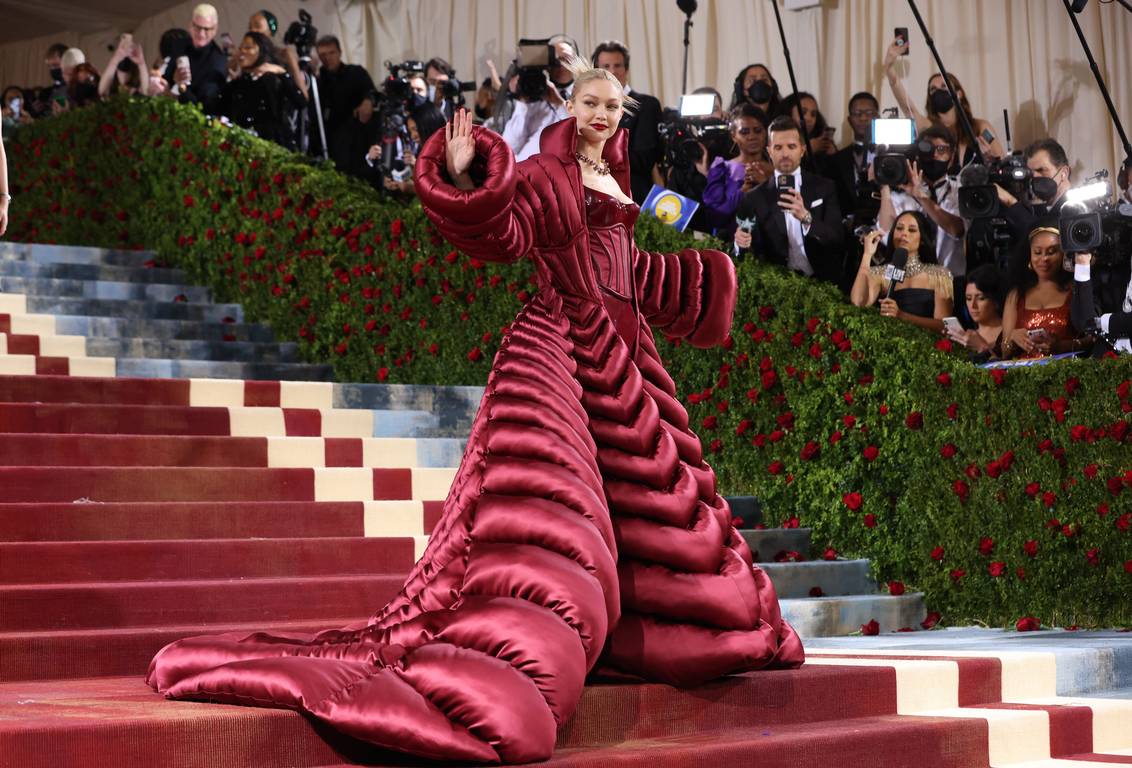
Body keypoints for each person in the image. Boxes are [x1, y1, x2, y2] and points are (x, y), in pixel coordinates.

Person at [148, 57, 803, 765]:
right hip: (560, 340)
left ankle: (620, 637)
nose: (601, 115)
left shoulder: (619, 177)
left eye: (613, 105)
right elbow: (508, 233)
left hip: (624, 348)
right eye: (590, 102)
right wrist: (464, 175)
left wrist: (692, 281)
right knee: (557, 513)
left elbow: (623, 261)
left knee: (647, 503)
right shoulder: (548, 175)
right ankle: (518, 653)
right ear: (570, 105)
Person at [733, 116, 844, 284]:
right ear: (769, 151)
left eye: (791, 146)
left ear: (802, 149)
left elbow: (837, 238)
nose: (785, 154)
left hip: (823, 282)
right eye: (778, 147)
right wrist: (740, 243)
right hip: (776, 285)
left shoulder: (825, 187)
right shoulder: (754, 197)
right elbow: (747, 252)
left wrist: (806, 218)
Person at [883, 37, 1006, 168]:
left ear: (959, 94)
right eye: (933, 89)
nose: (938, 92)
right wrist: (889, 68)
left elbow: (1002, 161)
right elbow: (908, 108)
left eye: (944, 87)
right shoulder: (928, 127)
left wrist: (989, 159)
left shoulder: (980, 127)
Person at [877, 124, 966, 276]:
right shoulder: (902, 192)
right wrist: (884, 185)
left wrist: (921, 197)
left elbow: (957, 230)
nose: (934, 155)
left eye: (941, 150)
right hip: (908, 280)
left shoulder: (960, 190)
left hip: (950, 281)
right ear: (918, 154)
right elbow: (885, 234)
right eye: (928, 149)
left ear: (952, 156)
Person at [851, 210, 953, 331]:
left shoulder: (939, 274)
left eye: (912, 230)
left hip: (927, 345)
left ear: (922, 239)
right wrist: (867, 255)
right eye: (899, 228)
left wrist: (901, 315)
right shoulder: (881, 273)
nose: (903, 234)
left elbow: (944, 327)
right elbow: (858, 303)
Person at [1001, 224, 1089, 358]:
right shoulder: (1016, 295)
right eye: (1037, 252)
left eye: (1051, 252)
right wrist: (1012, 337)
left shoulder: (1077, 289)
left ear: (1064, 254)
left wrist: (1060, 346)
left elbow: (1093, 340)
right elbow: (1004, 353)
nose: (1044, 258)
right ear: (1029, 255)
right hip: (1023, 374)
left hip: (1066, 372)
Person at [592, 40, 662, 204]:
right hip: (594, 198)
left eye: (617, 66)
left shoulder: (646, 105)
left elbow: (644, 160)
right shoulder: (588, 106)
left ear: (627, 69)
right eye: (606, 67)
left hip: (633, 197)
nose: (612, 72)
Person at [216, 32, 306, 149]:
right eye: (240, 48)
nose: (242, 51)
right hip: (243, 148)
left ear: (262, 51)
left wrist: (282, 73)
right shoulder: (237, 83)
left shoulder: (273, 78)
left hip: (272, 148)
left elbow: (300, 102)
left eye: (248, 47)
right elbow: (217, 107)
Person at [500, 34, 578, 161]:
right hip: (524, 169)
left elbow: (580, 132)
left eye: (567, 59)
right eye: (555, 60)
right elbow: (509, 146)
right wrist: (523, 103)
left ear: (576, 61)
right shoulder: (531, 94)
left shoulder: (587, 94)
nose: (561, 65)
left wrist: (559, 103)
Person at [702, 104, 771, 241]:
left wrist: (766, 184)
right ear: (733, 136)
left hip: (774, 246)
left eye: (757, 130)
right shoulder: (722, 168)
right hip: (732, 247)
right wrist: (743, 191)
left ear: (766, 133)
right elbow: (715, 217)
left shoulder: (777, 169)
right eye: (744, 132)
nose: (752, 137)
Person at [314, 35, 376, 158]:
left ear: (340, 52)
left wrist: (368, 101)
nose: (327, 58)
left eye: (331, 53)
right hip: (326, 138)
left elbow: (372, 92)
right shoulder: (316, 79)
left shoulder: (355, 73)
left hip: (355, 138)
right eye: (323, 55)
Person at [829, 91, 879, 219]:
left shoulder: (890, 156)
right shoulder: (836, 160)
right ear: (849, 120)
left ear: (877, 117)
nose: (863, 118)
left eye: (869, 113)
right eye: (857, 114)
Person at [169, 4, 228, 113]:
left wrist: (181, 86)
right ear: (190, 25)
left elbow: (203, 107)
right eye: (198, 27)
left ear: (215, 30)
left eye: (206, 29)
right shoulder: (180, 45)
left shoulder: (217, 62)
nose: (201, 34)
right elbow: (168, 76)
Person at [380, 101, 447, 195]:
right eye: (410, 131)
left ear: (428, 125)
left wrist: (414, 188)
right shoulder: (425, 151)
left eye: (415, 129)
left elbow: (443, 193)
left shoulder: (446, 153)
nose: (413, 136)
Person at [946, 264, 1006, 360]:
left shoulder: (1009, 334)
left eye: (981, 298)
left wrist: (982, 347)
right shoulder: (967, 337)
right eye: (968, 298)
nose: (973, 306)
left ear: (996, 300)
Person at [248, 10, 308, 100]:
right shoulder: (246, 54)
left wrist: (281, 71)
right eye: (250, 27)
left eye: (257, 26)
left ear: (270, 31)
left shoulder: (284, 54)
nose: (252, 30)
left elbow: (303, 95)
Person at [779, 91, 835, 161]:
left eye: (813, 114)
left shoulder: (819, 141)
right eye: (803, 112)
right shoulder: (774, 140)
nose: (809, 118)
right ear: (788, 113)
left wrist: (833, 156)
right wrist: (805, 151)